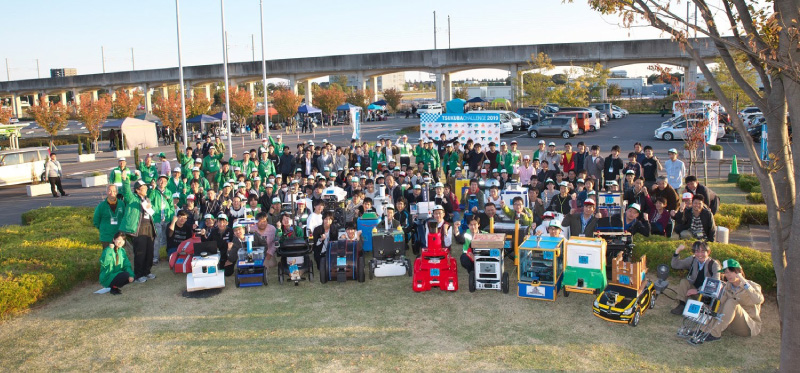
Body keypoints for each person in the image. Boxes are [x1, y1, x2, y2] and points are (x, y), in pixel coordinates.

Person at [704, 259, 765, 342]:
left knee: (732, 302)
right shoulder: (727, 287)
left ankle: (715, 334)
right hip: (731, 325)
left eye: (731, 271)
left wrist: (743, 281)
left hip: (748, 327)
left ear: (739, 272)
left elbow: (759, 300)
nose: (728, 275)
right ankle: (703, 330)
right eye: (726, 272)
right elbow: (719, 305)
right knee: (719, 304)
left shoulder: (752, 285)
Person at [118, 178, 157, 283]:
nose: (145, 189)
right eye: (143, 188)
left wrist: (153, 189)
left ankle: (147, 271)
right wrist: (125, 180)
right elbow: (126, 192)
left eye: (145, 187)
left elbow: (150, 202)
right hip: (138, 228)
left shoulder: (146, 199)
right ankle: (138, 274)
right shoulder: (132, 198)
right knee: (140, 252)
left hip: (149, 226)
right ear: (137, 190)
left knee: (149, 251)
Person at [669, 241, 721, 315]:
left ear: (708, 252)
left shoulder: (714, 264)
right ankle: (682, 305)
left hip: (706, 295)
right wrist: (677, 251)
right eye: (697, 251)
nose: (699, 254)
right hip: (694, 291)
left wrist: (698, 290)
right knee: (684, 282)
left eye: (703, 251)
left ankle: (702, 307)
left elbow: (714, 283)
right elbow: (675, 265)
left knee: (702, 311)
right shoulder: (693, 259)